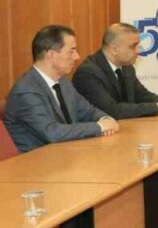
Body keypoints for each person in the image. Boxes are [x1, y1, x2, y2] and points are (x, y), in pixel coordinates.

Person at [3, 24, 118, 153]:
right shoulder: (26, 90)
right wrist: (99, 127)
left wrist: (105, 119)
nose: (77, 56)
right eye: (71, 51)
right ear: (51, 55)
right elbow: (52, 133)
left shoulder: (63, 82)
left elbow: (88, 111)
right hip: (36, 161)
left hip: (65, 154)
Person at [73, 22, 158, 119]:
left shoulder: (126, 66)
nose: (139, 51)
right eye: (133, 46)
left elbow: (141, 95)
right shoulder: (88, 73)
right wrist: (157, 107)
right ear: (114, 49)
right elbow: (111, 110)